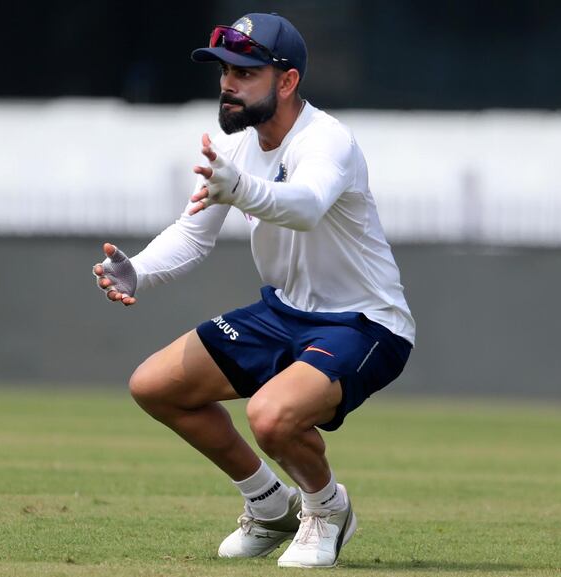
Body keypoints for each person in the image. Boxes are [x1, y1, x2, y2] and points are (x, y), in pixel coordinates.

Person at [92, 12, 415, 569]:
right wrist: (137, 270)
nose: (228, 83)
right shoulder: (236, 150)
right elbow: (193, 236)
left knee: (270, 417)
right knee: (154, 386)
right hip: (284, 313)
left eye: (245, 71)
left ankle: (327, 508)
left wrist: (240, 189)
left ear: (286, 81)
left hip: (365, 322)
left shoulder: (327, 140)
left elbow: (307, 207)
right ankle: (269, 506)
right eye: (224, 71)